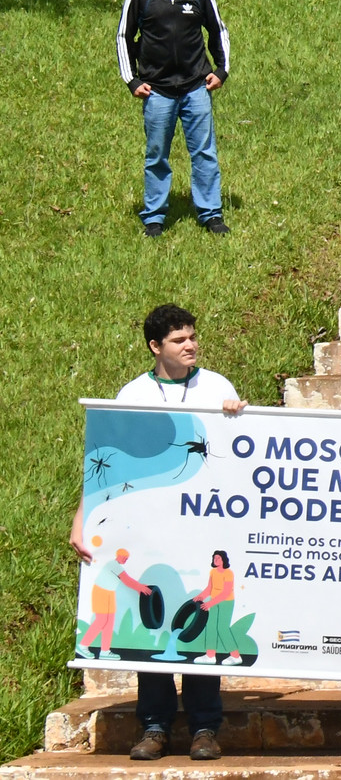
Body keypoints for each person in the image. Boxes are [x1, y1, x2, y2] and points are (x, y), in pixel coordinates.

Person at [71, 305, 243, 761]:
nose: (190, 346)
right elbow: (110, 462)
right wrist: (81, 516)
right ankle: (154, 726)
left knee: (201, 626)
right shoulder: (133, 393)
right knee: (150, 621)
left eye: (192, 337)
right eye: (178, 340)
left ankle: (205, 728)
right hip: (147, 528)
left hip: (203, 526)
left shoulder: (217, 387)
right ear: (155, 347)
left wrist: (237, 415)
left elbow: (239, 452)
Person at [120, 0, 231, 238]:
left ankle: (211, 214)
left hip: (196, 87)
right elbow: (123, 38)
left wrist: (221, 70)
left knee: (205, 153)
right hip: (157, 91)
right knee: (157, 155)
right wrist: (132, 80)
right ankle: (154, 217)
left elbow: (218, 31)